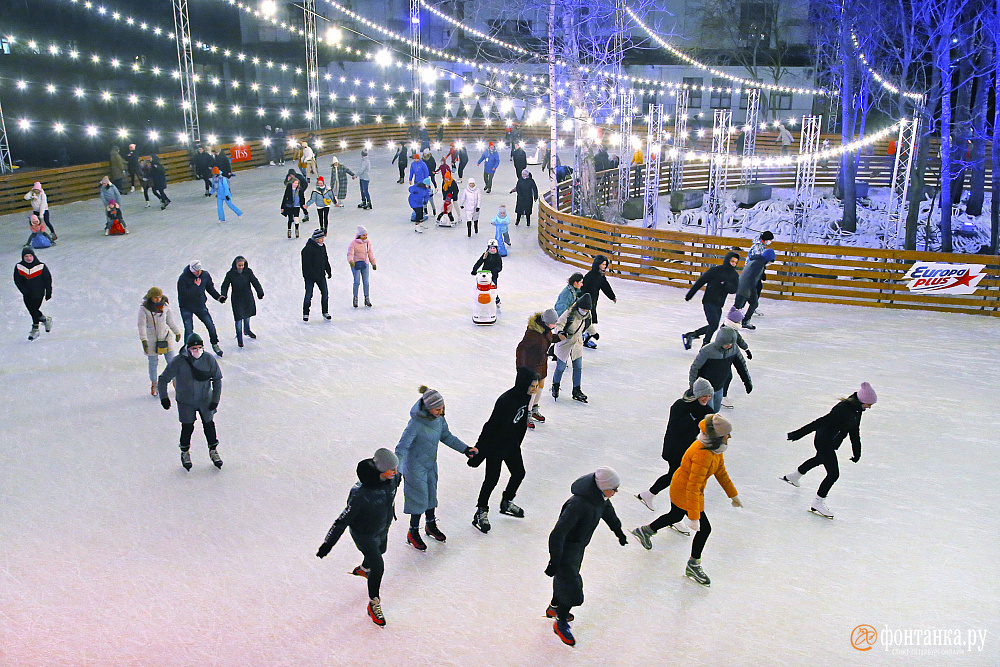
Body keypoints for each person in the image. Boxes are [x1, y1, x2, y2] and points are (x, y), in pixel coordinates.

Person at [631, 414, 742, 588]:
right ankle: (693, 565)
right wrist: (694, 516)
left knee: (675, 515)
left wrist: (733, 495)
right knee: (705, 528)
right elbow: (693, 486)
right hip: (685, 490)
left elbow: (721, 472)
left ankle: (646, 531)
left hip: (689, 488)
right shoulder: (702, 454)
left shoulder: (715, 449)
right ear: (718, 436)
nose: (730, 437)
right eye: (727, 434)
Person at [316, 448, 401, 627]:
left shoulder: (394, 480)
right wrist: (327, 544)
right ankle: (374, 603)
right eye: (391, 469)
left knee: (381, 551)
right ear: (379, 470)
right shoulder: (360, 494)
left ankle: (364, 568)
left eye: (396, 467)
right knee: (378, 566)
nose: (395, 471)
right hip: (365, 535)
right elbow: (342, 520)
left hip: (382, 528)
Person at [546, 467, 628, 646]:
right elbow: (558, 533)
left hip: (578, 547)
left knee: (564, 580)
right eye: (614, 488)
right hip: (565, 549)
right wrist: (554, 559)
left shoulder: (599, 499)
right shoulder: (579, 504)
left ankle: (554, 607)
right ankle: (560, 623)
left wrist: (619, 532)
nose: (616, 492)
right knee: (572, 588)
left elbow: (609, 514)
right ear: (603, 487)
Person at [394, 386, 477, 551]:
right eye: (437, 409)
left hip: (430, 465)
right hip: (414, 468)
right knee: (418, 500)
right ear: (427, 407)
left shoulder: (439, 419)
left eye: (442, 408)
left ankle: (430, 525)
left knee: (431, 495)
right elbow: (401, 448)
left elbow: (446, 436)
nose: (440, 411)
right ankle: (412, 532)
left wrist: (465, 449)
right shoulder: (415, 424)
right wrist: (398, 469)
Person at [781, 383, 877, 519]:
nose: (870, 407)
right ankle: (818, 502)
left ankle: (794, 476)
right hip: (824, 441)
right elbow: (821, 421)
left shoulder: (857, 411)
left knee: (819, 459)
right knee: (833, 474)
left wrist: (857, 452)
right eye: (869, 404)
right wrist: (798, 434)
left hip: (830, 442)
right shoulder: (843, 409)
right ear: (862, 400)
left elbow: (854, 432)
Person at [468, 367, 540, 533]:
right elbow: (490, 426)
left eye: (536, 386)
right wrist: (479, 451)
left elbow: (521, 423)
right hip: (495, 446)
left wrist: (517, 443)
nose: (535, 390)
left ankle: (506, 501)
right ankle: (481, 511)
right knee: (492, 479)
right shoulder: (506, 401)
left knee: (519, 473)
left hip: (511, 445)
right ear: (523, 384)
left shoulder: (526, 397)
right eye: (532, 386)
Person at [636, 378, 715, 524]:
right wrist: (694, 421)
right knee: (677, 477)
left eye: (709, 395)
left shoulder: (707, 411)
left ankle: (654, 498)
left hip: (688, 452)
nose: (707, 398)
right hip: (675, 449)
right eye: (704, 395)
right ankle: (673, 513)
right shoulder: (680, 405)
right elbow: (677, 427)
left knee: (675, 477)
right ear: (697, 394)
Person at [157, 333, 224, 471]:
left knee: (209, 425)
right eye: (194, 348)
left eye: (200, 347)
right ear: (188, 348)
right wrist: (164, 397)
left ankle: (213, 450)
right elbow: (163, 379)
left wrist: (215, 400)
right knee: (187, 427)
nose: (197, 351)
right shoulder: (178, 362)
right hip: (186, 401)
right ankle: (185, 451)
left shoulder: (208, 359)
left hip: (205, 399)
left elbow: (217, 379)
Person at [681, 251, 740, 350]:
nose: (733, 264)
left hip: (719, 304)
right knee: (713, 324)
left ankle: (692, 335)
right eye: (732, 261)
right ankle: (705, 345)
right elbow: (701, 281)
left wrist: (725, 284)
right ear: (727, 260)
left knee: (714, 325)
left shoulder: (734, 275)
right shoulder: (715, 270)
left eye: (735, 262)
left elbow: (734, 290)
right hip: (709, 301)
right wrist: (690, 295)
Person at [688, 327, 750, 411]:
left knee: (715, 411)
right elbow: (695, 369)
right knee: (707, 413)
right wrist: (693, 387)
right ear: (720, 341)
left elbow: (741, 366)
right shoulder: (707, 351)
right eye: (727, 343)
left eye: (731, 343)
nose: (729, 345)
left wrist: (747, 382)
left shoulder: (734, 349)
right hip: (705, 390)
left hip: (720, 387)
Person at [515, 309, 559, 429]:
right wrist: (521, 367)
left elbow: (548, 339)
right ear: (546, 322)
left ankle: (534, 408)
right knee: (532, 389)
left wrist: (558, 338)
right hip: (531, 364)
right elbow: (521, 349)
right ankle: (527, 413)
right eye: (553, 323)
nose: (555, 325)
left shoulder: (546, 330)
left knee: (541, 384)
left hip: (541, 363)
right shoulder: (533, 333)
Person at [137, 287, 182, 396]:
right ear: (150, 297)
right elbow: (141, 325)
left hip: (165, 338)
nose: (157, 299)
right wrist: (144, 340)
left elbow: (170, 321)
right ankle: (154, 383)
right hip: (151, 340)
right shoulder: (144, 309)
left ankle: (176, 381)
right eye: (154, 297)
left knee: (172, 362)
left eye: (159, 297)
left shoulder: (165, 307)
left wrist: (176, 332)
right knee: (153, 363)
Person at [551, 293, 594, 403]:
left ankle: (576, 390)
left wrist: (594, 333)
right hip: (565, 343)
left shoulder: (587, 314)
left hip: (577, 344)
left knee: (578, 367)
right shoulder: (570, 313)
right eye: (583, 308)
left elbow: (589, 324)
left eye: (586, 309)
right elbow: (559, 324)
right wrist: (560, 332)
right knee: (561, 367)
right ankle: (555, 386)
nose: (584, 310)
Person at [177, 260, 224, 356]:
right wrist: (196, 286)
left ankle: (215, 344)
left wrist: (218, 297)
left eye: (199, 271)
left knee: (210, 324)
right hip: (186, 306)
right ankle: (187, 350)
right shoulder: (183, 279)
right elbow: (184, 294)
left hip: (200, 305)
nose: (198, 273)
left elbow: (210, 288)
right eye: (195, 271)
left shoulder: (205, 275)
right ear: (191, 270)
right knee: (189, 328)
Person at [219, 256, 264, 348]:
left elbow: (255, 282)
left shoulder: (248, 272)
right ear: (235, 265)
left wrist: (260, 292)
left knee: (247, 315)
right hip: (237, 298)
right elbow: (225, 285)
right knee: (238, 318)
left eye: (242, 265)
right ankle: (239, 338)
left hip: (247, 297)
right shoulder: (230, 274)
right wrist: (223, 295)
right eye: (239, 265)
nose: (241, 267)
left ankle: (247, 330)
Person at [13, 246, 53, 341]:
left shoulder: (41, 266)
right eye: (26, 256)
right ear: (23, 257)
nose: (28, 258)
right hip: (27, 294)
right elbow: (18, 281)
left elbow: (47, 280)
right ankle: (45, 320)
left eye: (30, 255)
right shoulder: (19, 267)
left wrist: (48, 292)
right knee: (32, 310)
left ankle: (35, 328)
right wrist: (24, 291)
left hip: (38, 293)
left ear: (33, 256)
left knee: (34, 309)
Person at [733, 248, 776, 329]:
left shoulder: (756, 261)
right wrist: (753, 291)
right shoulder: (759, 264)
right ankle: (739, 322)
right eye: (771, 261)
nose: (770, 263)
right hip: (746, 287)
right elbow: (751, 277)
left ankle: (737, 321)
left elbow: (757, 275)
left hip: (743, 285)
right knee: (746, 305)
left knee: (740, 306)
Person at [580, 255, 617, 349]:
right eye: (602, 264)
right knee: (587, 320)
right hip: (586, 302)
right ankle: (584, 338)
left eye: (605, 264)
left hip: (593, 302)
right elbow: (582, 289)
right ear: (597, 264)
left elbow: (605, 286)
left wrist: (612, 297)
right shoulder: (590, 276)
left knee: (590, 320)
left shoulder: (600, 276)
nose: (604, 266)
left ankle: (584, 336)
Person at [301, 228, 332, 322]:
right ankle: (305, 313)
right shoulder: (307, 249)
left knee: (325, 293)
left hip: (321, 275)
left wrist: (328, 270)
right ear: (316, 239)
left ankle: (325, 312)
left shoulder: (322, 247)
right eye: (320, 238)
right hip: (310, 276)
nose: (322, 239)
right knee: (309, 294)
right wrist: (311, 275)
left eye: (323, 238)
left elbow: (325, 259)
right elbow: (306, 265)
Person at [347, 226, 377, 308]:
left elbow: (370, 253)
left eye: (366, 234)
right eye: (363, 235)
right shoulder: (353, 243)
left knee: (366, 282)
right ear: (360, 235)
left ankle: (367, 298)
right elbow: (350, 254)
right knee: (357, 282)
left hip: (365, 264)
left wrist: (373, 263)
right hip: (356, 264)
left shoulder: (367, 242)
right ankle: (355, 298)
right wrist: (351, 261)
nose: (365, 236)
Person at [471, 240, 502, 304]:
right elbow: (479, 262)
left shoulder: (498, 257)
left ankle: (497, 300)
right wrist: (474, 269)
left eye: (493, 248)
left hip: (493, 276)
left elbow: (499, 267)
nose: (492, 249)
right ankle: (479, 298)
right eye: (491, 248)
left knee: (493, 288)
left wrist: (494, 271)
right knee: (480, 286)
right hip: (484, 274)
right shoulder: (485, 255)